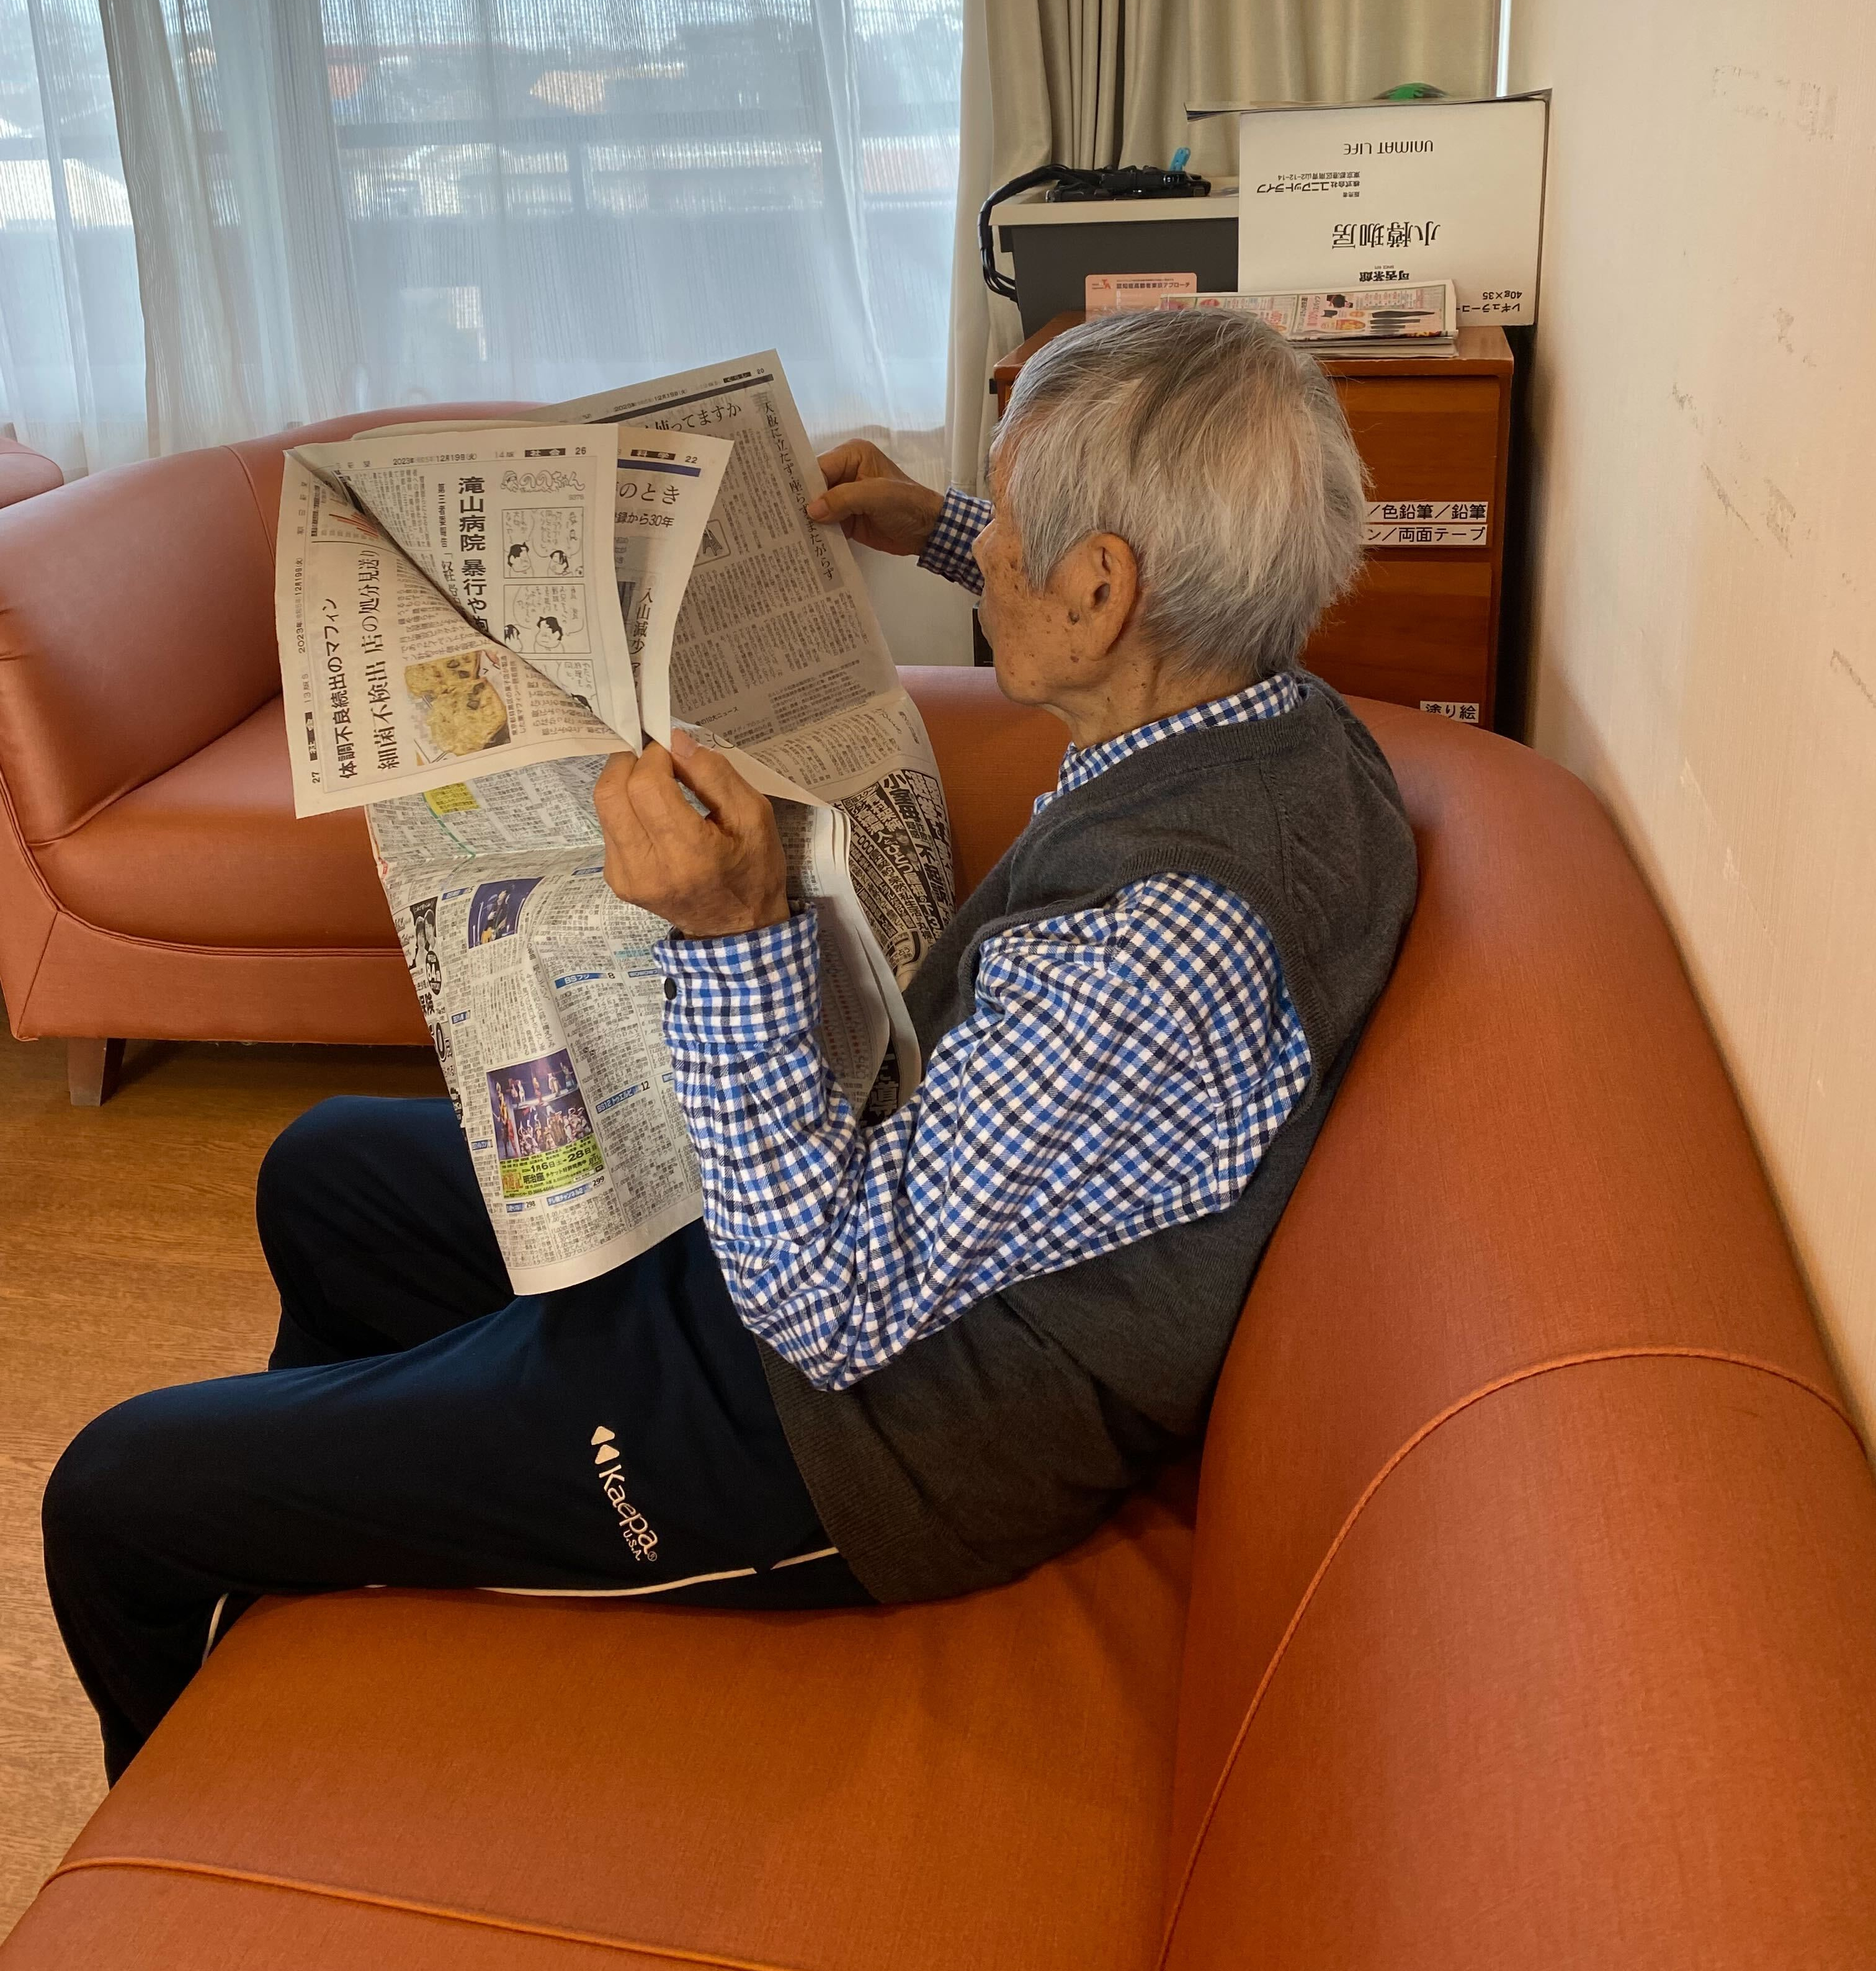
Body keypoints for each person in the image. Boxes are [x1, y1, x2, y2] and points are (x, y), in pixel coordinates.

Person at [42, 310, 1415, 1781]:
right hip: (846, 1214)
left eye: (1011, 521)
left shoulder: (1155, 948)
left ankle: (248, 1686)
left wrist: (736, 934)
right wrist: (940, 527)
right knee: (325, 1175)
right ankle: (342, 1497)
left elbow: (825, 1307)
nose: (996, 541)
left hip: (847, 1435)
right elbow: (1125, 610)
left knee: (117, 1492)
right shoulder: (1282, 718)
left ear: (1098, 587)